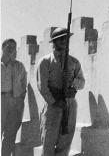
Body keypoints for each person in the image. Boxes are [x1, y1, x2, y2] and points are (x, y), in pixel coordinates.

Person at [36, 27, 85, 156]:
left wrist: (72, 85)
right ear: (55, 41)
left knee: (65, 142)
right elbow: (42, 86)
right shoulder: (46, 61)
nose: (64, 41)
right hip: (53, 105)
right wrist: (54, 101)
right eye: (61, 38)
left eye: (66, 38)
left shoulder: (74, 61)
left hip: (69, 103)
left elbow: (82, 81)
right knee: (48, 141)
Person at [1, 39, 27, 156]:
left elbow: (23, 85)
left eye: (14, 47)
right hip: (1, 102)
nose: (12, 50)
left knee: (10, 137)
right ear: (3, 48)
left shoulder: (19, 66)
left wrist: (20, 100)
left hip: (15, 102)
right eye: (9, 47)